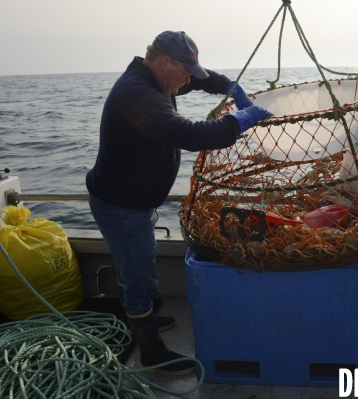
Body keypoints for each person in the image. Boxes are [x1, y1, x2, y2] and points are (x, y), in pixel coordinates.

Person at [86, 31, 272, 374]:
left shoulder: (159, 80)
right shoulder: (138, 93)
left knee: (136, 265)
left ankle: (144, 314)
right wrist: (244, 118)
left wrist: (232, 87)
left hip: (132, 201)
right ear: (164, 62)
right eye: (185, 72)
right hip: (122, 205)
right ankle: (151, 351)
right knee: (140, 277)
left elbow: (203, 82)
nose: (187, 81)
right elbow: (191, 135)